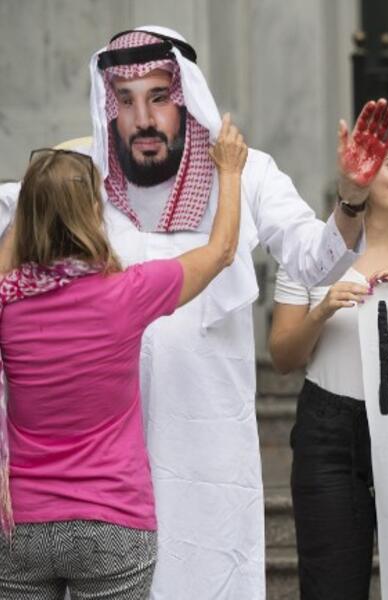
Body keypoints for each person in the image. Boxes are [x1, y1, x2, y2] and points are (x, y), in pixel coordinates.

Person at [0, 25, 388, 600]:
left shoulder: (247, 172)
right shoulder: (75, 175)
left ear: (186, 97)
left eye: (159, 98)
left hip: (205, 445)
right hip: (93, 482)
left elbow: (316, 263)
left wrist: (352, 198)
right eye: (124, 101)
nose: (142, 118)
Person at [0, 116, 246, 599]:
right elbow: (220, 251)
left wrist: (36, 202)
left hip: (21, 525)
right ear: (94, 212)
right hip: (112, 522)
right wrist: (231, 172)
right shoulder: (127, 293)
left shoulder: (7, 301)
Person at [269, 132, 388, 600]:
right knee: (332, 585)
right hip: (329, 431)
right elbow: (283, 357)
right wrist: (323, 309)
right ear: (364, 172)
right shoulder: (309, 251)